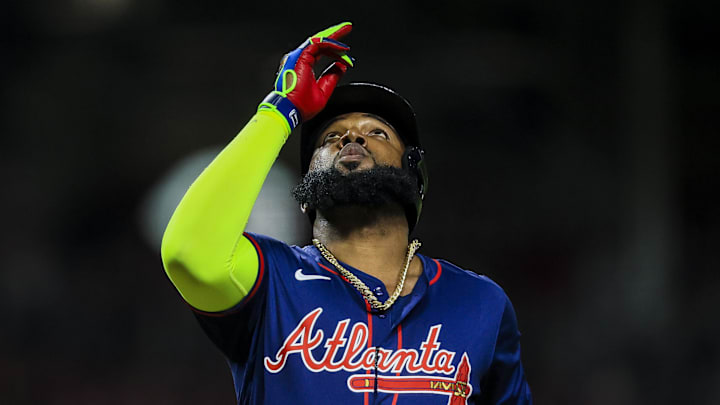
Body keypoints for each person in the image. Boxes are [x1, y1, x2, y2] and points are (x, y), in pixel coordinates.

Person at [161, 22, 533, 404]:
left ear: (413, 173)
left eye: (377, 133)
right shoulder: (272, 279)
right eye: (330, 138)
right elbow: (189, 254)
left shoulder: (479, 302)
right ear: (307, 190)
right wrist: (280, 109)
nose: (351, 138)